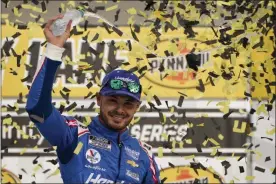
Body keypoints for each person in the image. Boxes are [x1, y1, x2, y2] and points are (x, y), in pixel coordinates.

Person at [25, 14, 160, 184]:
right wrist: (54, 49)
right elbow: (38, 109)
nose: (120, 110)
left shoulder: (144, 155)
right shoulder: (74, 136)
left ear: (137, 107)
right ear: (98, 99)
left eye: (128, 104)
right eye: (113, 100)